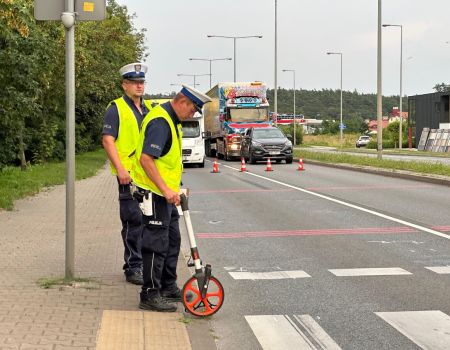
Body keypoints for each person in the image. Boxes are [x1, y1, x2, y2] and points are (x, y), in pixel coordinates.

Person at [131, 85, 211, 312]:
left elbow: (168, 161)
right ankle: (150, 293)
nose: (194, 114)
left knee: (173, 240)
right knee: (156, 244)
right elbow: (147, 159)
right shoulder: (161, 122)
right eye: (194, 109)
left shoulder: (171, 120)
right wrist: (166, 189)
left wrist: (176, 188)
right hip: (155, 195)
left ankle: (167, 285)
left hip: (166, 195)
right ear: (183, 101)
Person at [102, 62, 153, 285]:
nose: (139, 86)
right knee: (134, 222)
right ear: (124, 85)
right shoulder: (116, 108)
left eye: (141, 82)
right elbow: (107, 140)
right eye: (134, 83)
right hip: (129, 176)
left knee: (151, 222)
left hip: (149, 177)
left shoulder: (149, 109)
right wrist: (121, 170)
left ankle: (148, 265)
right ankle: (133, 267)